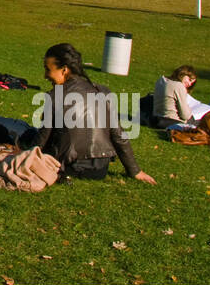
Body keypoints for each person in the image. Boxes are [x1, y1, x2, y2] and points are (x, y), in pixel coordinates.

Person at [28, 43, 155, 183]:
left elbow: (42, 137)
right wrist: (135, 171)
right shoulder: (102, 91)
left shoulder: (54, 96)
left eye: (48, 69)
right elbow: (118, 135)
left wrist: (26, 156)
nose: (45, 75)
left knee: (25, 133)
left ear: (64, 70)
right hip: (100, 170)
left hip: (70, 166)